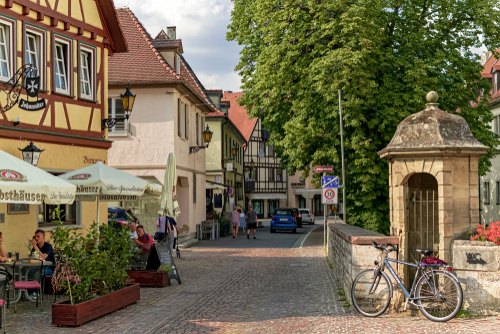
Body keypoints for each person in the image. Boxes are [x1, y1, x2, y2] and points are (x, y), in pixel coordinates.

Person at [29, 230, 56, 298]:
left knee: (38, 273)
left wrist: (35, 246)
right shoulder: (36, 247)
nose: (36, 238)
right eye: (35, 237)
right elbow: (32, 257)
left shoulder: (48, 246)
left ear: (43, 237)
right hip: (38, 267)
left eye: (38, 236)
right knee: (27, 272)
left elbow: (43, 257)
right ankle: (26, 292)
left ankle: (35, 292)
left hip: (49, 268)